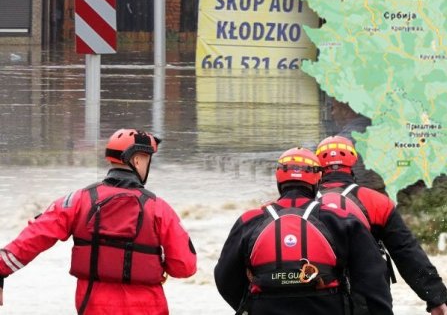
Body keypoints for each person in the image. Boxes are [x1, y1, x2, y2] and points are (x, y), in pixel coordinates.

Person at [0, 129, 197, 314]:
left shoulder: (77, 200)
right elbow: (184, 267)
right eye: (147, 160)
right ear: (137, 160)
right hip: (147, 307)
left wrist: (1, 271)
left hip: (93, 305)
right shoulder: (159, 208)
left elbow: (34, 237)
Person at [215, 147, 393, 315]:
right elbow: (373, 279)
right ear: (318, 180)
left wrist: (251, 305)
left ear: (279, 180)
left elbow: (225, 278)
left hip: (265, 306)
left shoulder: (249, 221)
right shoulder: (342, 220)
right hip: (327, 306)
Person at [315, 135, 447, 315]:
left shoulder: (303, 205)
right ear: (353, 162)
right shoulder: (378, 203)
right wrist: (436, 298)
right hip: (369, 299)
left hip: (318, 298)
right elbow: (406, 251)